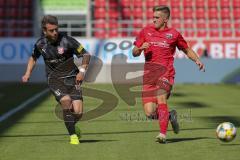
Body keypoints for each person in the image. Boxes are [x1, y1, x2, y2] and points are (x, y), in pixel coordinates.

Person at [132, 6, 205, 143]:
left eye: (157, 17)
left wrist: (197, 60)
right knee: (150, 113)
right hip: (149, 76)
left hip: (166, 72)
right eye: (153, 17)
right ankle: (170, 116)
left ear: (165, 19)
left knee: (161, 98)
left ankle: (162, 134)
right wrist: (140, 48)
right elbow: (134, 52)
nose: (154, 20)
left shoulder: (174, 34)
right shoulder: (145, 31)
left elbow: (186, 49)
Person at [22, 15, 91, 145]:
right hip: (54, 79)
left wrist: (82, 72)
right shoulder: (40, 44)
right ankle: (73, 136)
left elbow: (86, 54)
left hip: (72, 78)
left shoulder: (67, 40)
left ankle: (71, 126)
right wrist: (27, 73)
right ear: (44, 31)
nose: (55, 32)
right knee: (66, 101)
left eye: (56, 29)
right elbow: (33, 58)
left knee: (78, 112)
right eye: (51, 30)